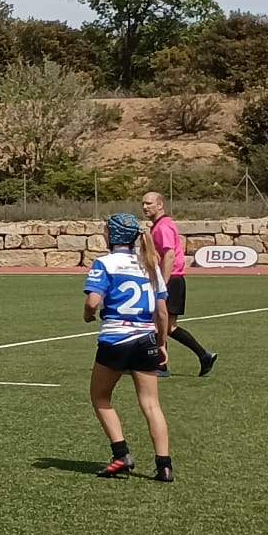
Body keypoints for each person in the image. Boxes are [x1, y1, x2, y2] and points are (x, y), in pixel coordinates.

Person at [85, 213, 174, 481]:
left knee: (100, 398)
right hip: (146, 338)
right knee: (151, 405)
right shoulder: (150, 264)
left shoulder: (104, 263)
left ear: (111, 236)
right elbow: (162, 312)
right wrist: (161, 343)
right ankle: (164, 466)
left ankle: (121, 454)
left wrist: (88, 315)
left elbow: (92, 302)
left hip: (116, 339)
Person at [142, 192, 216, 377]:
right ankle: (201, 356)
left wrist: (162, 284)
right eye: (143, 203)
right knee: (164, 324)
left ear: (160, 205)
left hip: (172, 280)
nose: (145, 207)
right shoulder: (161, 225)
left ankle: (163, 365)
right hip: (173, 279)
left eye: (149, 203)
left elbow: (169, 255)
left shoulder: (162, 228)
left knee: (163, 324)